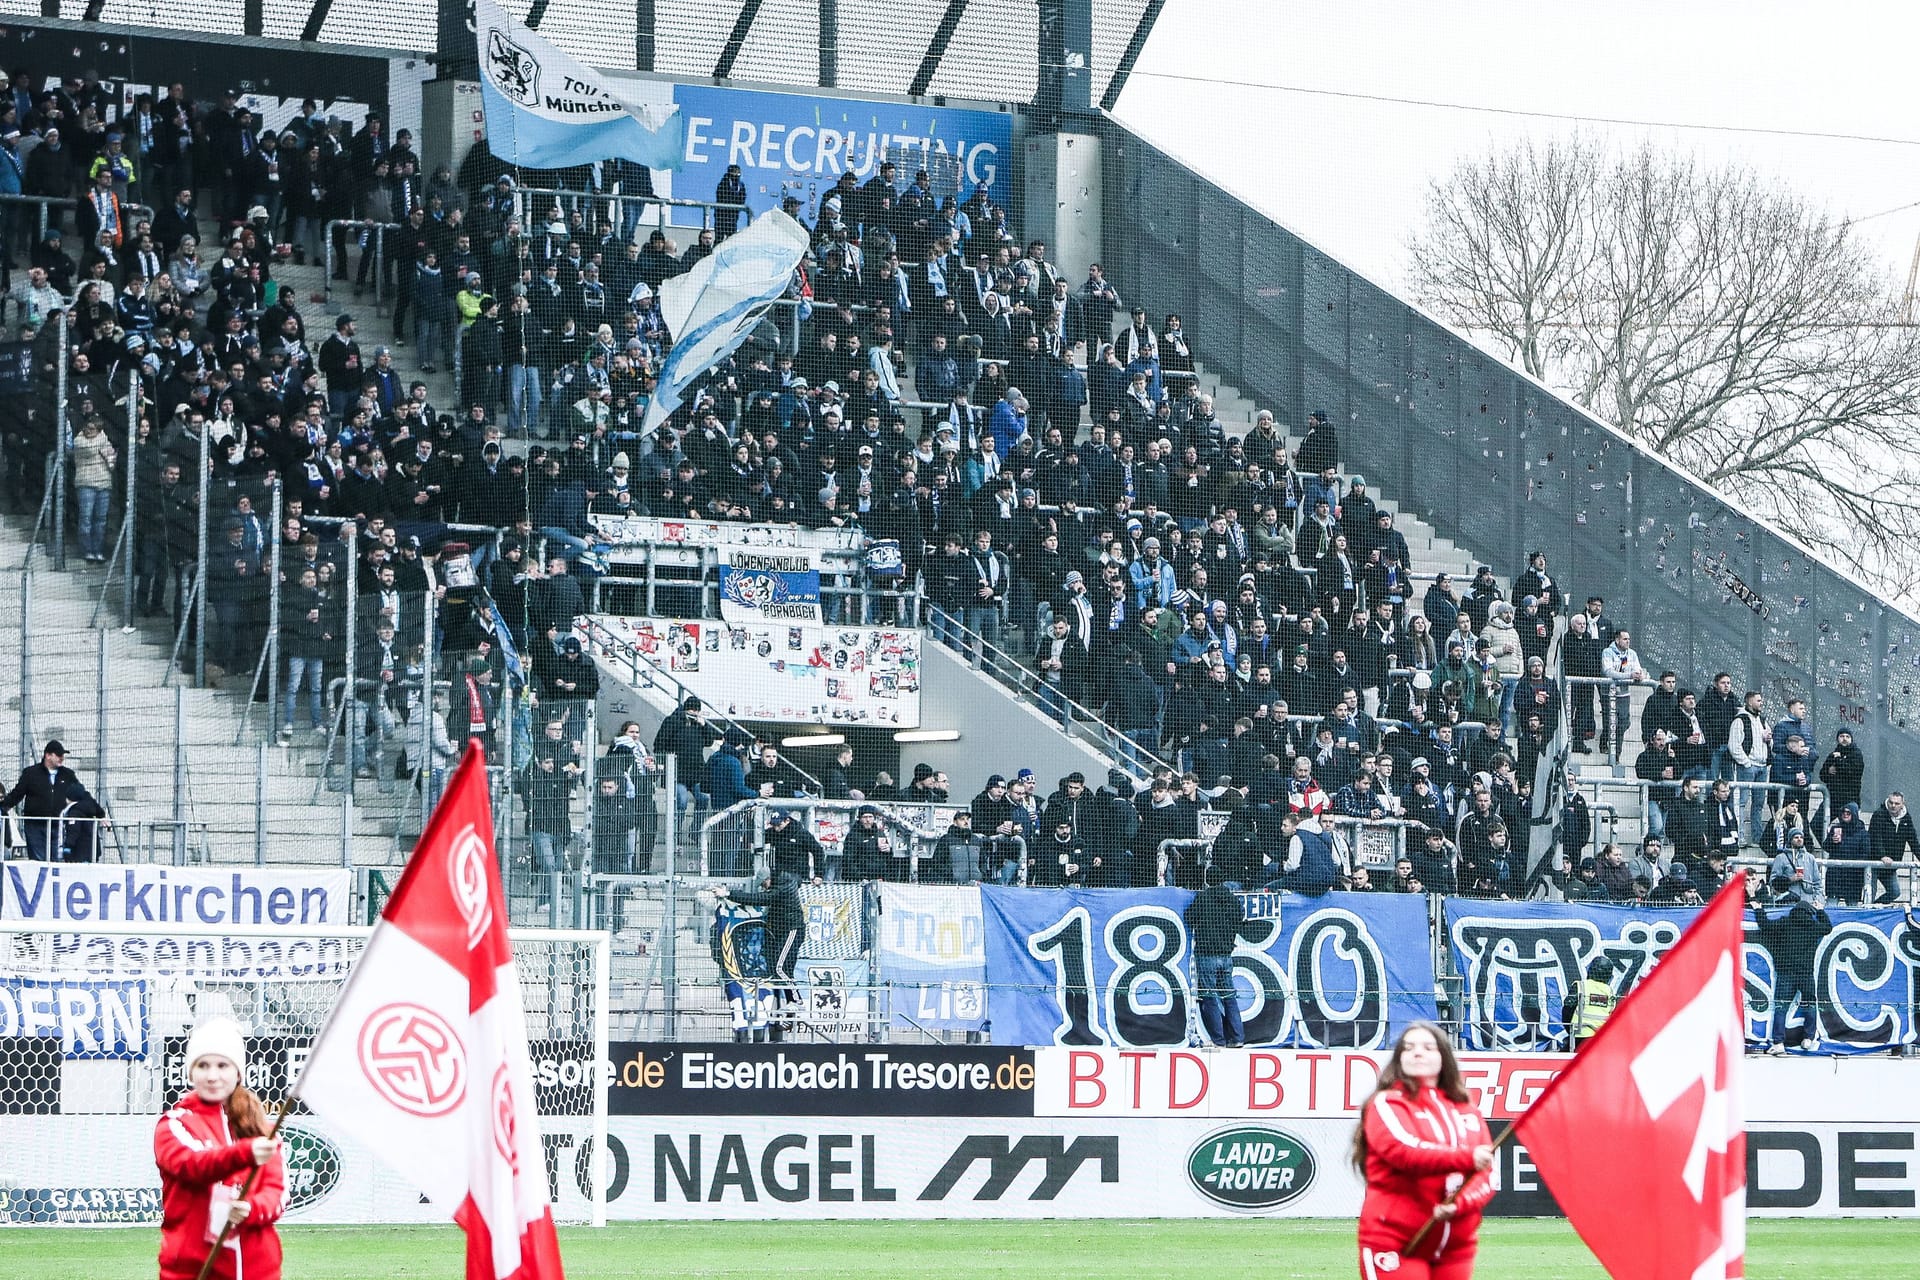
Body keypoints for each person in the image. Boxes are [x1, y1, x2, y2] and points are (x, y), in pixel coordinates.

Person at [1351, 1022, 1495, 1280]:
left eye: (1428, 1047)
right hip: (1397, 1241)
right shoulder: (1386, 1103)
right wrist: (1467, 1157)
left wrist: (1459, 1205)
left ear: (1444, 1057)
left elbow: (1487, 1176)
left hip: (1456, 1247)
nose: (1418, 1053)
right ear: (1399, 1058)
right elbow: (1403, 1151)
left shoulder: (1467, 1110)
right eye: (1408, 1048)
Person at [155, 1018, 285, 1280]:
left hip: (259, 1271)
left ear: (238, 1072)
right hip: (193, 1271)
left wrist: (252, 1208)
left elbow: (277, 1195)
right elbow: (193, 1166)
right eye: (203, 1065)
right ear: (191, 1073)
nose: (212, 1075)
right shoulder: (174, 1125)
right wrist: (244, 1154)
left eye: (223, 1065)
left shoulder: (265, 1130)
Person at [2, 740, 106, 862]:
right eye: (58, 755)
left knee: (56, 861)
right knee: (38, 861)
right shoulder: (31, 773)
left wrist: (100, 814)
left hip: (58, 826)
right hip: (35, 826)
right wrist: (3, 807)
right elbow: (16, 794)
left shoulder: (67, 775)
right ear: (48, 755)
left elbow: (82, 794)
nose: (62, 758)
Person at [1184, 867, 1249, 1047]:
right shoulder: (1232, 899)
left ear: (1207, 880)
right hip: (1226, 955)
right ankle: (1238, 1038)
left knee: (1210, 997)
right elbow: (1239, 920)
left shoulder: (1203, 898)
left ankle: (1218, 1040)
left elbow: (1189, 917)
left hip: (1206, 955)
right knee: (1229, 996)